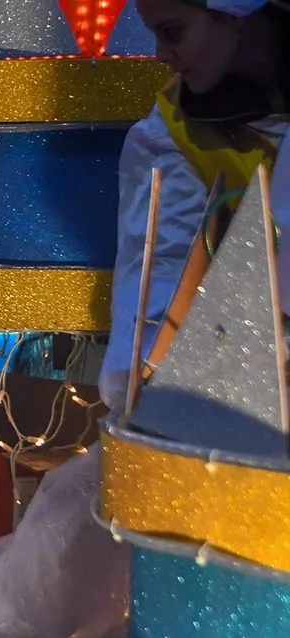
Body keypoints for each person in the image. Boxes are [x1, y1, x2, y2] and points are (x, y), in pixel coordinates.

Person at [99, 0, 288, 407]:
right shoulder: (169, 137)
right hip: (250, 397)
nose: (160, 56)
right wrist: (138, 404)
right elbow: (158, 279)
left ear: (235, 15)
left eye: (172, 32)